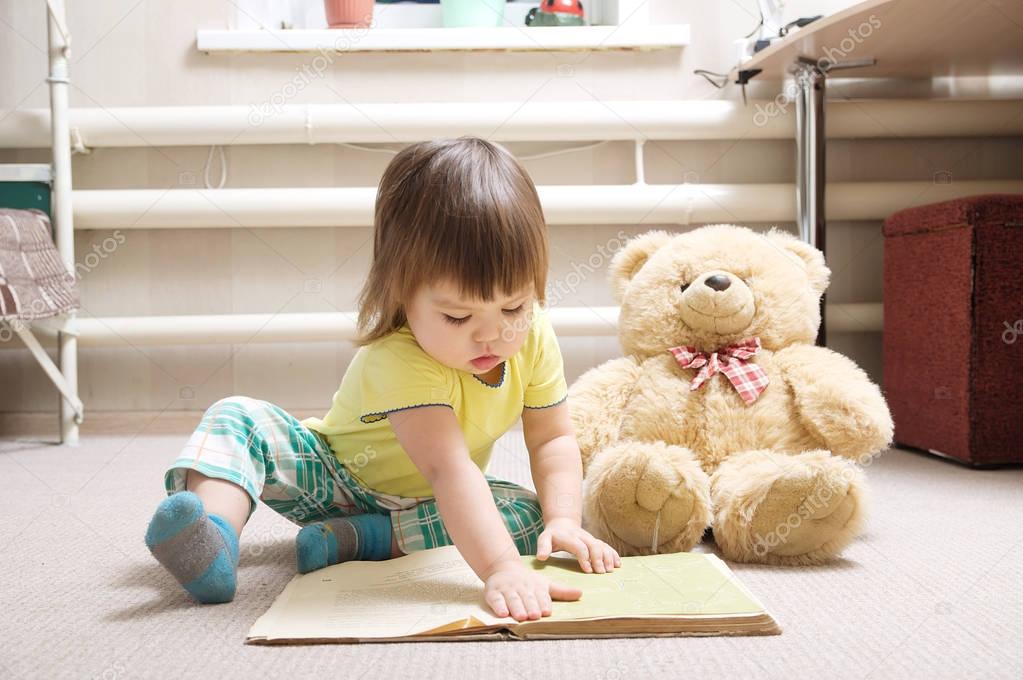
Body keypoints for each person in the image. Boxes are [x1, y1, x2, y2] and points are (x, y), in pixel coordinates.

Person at [144, 136, 620, 621]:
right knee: (238, 415)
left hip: (429, 505)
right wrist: (500, 567)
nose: (492, 335)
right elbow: (448, 468)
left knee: (527, 512)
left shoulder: (534, 334)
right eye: (458, 317)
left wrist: (563, 520)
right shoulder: (400, 356)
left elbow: (553, 439)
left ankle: (359, 540)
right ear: (401, 292)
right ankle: (213, 536)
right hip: (333, 479)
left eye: (513, 307)